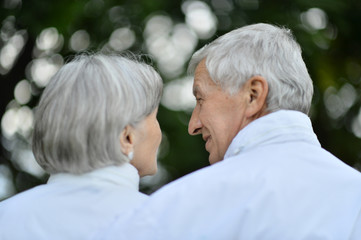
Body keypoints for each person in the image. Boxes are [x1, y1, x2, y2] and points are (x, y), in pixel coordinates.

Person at [96, 23, 361, 240]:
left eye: (200, 99)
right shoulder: (354, 195)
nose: (193, 125)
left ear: (253, 95)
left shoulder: (189, 204)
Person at [0, 53, 163, 240]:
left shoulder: (5, 217)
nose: (159, 131)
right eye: (154, 116)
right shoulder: (165, 223)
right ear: (126, 137)